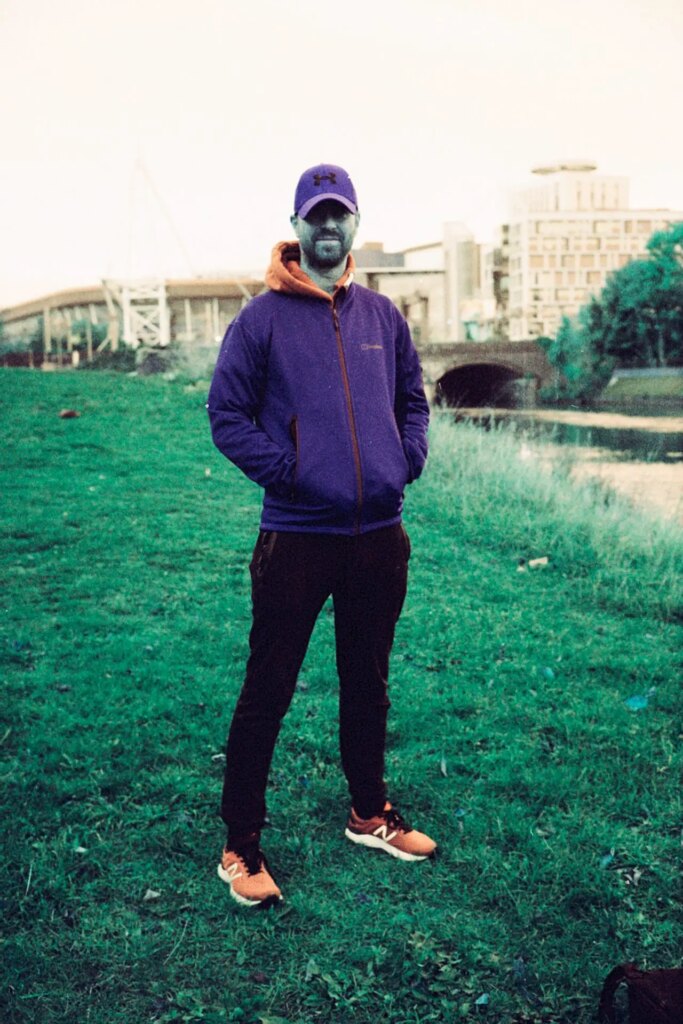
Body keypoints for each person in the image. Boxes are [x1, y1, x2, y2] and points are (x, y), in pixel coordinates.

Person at [207, 163, 436, 908]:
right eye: (316, 215)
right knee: (267, 690)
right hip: (297, 537)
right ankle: (241, 845)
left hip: (379, 534)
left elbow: (412, 399)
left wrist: (406, 459)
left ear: (355, 226)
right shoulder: (260, 320)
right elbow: (227, 416)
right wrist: (293, 472)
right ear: (297, 225)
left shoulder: (382, 316)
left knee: (366, 684)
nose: (328, 226)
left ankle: (368, 814)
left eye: (340, 215)